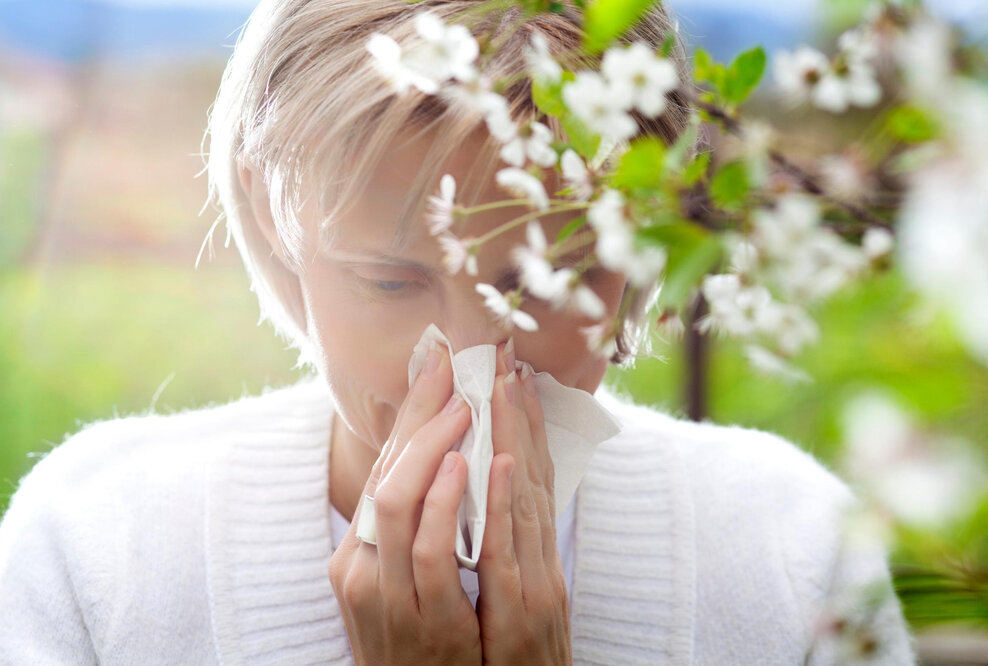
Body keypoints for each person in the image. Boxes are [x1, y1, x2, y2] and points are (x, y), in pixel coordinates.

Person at [0, 0, 917, 663]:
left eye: (545, 282)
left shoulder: (790, 550)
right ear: (272, 221)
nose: (476, 360)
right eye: (390, 281)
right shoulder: (99, 547)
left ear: (647, 241)